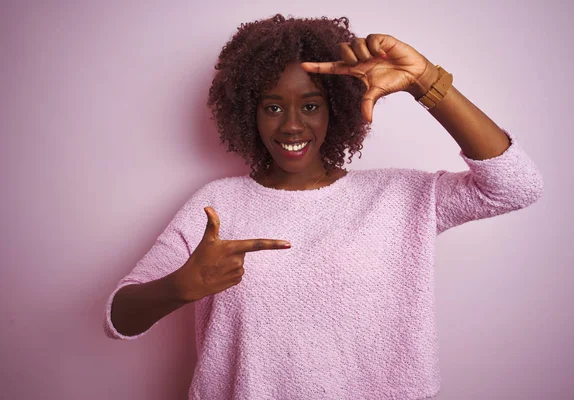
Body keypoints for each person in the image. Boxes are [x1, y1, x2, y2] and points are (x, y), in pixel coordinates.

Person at [104, 14, 543, 400]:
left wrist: (426, 81)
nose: (292, 124)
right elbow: (118, 317)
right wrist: (180, 286)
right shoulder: (217, 205)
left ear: (337, 109)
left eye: (310, 105)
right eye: (272, 107)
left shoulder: (398, 197)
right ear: (247, 114)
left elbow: (515, 186)